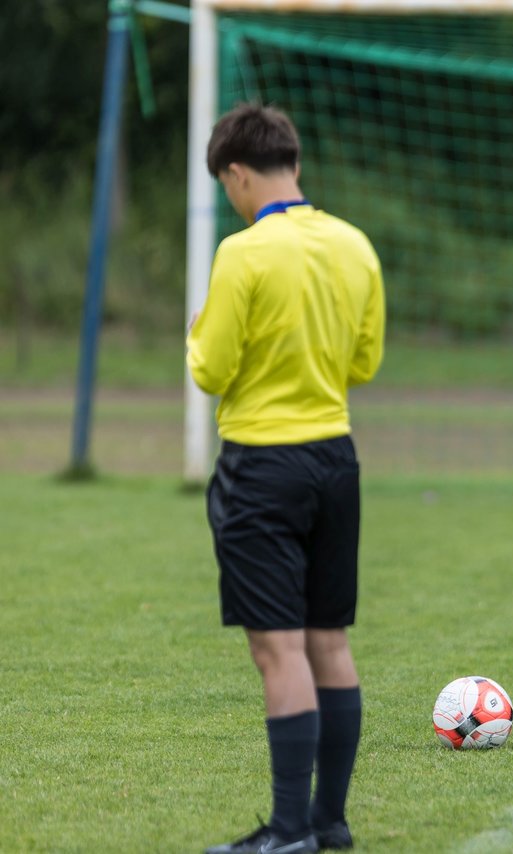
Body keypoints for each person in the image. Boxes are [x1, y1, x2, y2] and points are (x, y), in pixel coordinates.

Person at [188, 103, 385, 854]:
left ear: (238, 173)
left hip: (263, 465)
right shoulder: (353, 244)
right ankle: (329, 823)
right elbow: (363, 364)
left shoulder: (245, 252)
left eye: (228, 186)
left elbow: (209, 367)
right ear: (293, 162)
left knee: (278, 649)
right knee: (328, 641)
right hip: (336, 459)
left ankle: (288, 830)